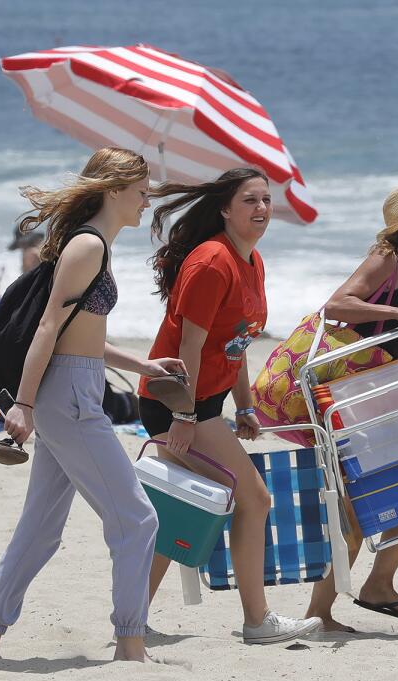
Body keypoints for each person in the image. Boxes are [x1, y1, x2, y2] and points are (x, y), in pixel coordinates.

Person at [0, 146, 184, 663]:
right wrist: (23, 404)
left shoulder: (94, 246)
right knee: (137, 518)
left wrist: (144, 367)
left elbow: (78, 338)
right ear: (112, 191)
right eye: (140, 189)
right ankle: (131, 645)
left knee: (41, 528)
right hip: (67, 395)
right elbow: (46, 328)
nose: (147, 199)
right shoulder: (87, 247)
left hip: (74, 385)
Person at [138, 167, 322, 645]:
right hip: (177, 400)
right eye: (249, 201)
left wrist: (243, 406)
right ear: (224, 209)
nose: (261, 209)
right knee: (254, 498)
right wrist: (182, 416)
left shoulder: (252, 261)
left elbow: (235, 342)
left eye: (266, 200)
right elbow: (191, 350)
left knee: (180, 511)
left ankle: (130, 618)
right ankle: (258, 620)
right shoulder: (211, 262)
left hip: (203, 402)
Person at [300, 183, 398, 632]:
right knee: (355, 508)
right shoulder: (385, 259)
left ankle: (378, 584)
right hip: (354, 398)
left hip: (373, 395)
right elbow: (337, 305)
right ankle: (324, 610)